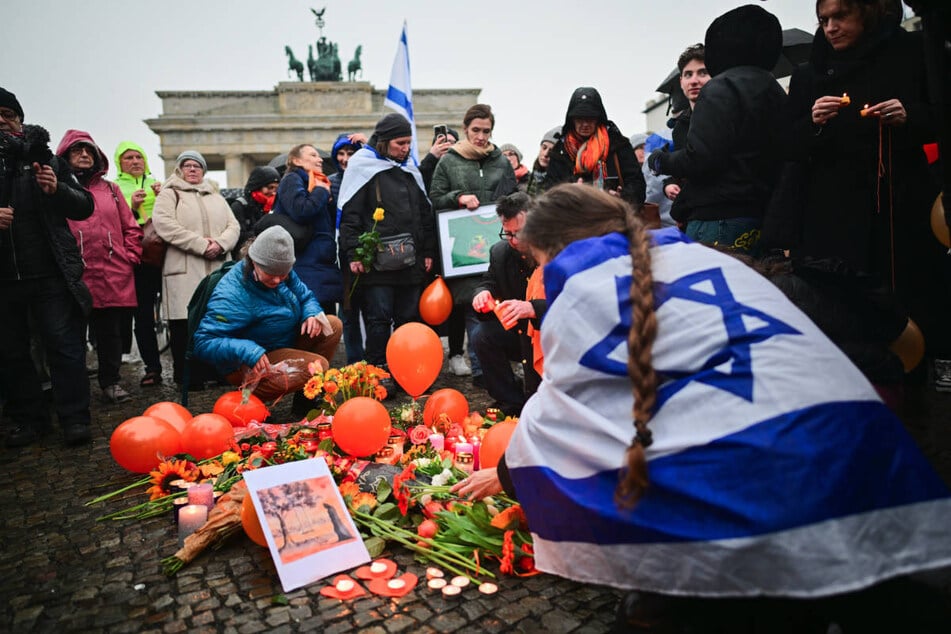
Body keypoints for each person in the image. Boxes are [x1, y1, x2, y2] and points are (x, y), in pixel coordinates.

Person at [454, 184, 951, 631]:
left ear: (557, 250)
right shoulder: (704, 257)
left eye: (542, 261)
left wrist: (508, 471)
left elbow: (559, 415)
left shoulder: (585, 289)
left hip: (753, 481)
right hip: (869, 449)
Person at [784, 0, 947, 390]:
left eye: (841, 16)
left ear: (867, 13)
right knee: (846, 299)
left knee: (912, 286)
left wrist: (909, 116)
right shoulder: (810, 73)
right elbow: (788, 145)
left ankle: (927, 370)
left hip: (901, 201)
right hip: (833, 211)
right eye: (823, 20)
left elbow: (939, 117)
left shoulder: (910, 53)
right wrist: (813, 121)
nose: (831, 28)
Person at [648, 8, 786, 255]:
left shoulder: (721, 87)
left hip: (717, 218)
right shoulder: (772, 88)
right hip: (760, 215)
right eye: (687, 74)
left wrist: (662, 161)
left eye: (702, 72)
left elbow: (701, 158)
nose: (695, 80)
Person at [0, 88, 94, 447]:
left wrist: (58, 190)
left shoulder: (46, 159)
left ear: (20, 120)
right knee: (11, 354)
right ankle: (30, 419)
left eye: (7, 113)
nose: (1, 121)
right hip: (4, 278)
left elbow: (83, 205)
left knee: (64, 347)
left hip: (50, 272)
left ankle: (74, 418)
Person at [192, 226, 341, 413]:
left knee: (332, 325)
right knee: (317, 366)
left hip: (280, 341)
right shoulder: (232, 293)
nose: (278, 280)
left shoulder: (281, 270)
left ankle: (306, 400)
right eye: (271, 275)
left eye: (283, 274)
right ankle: (248, 401)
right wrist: (248, 350)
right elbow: (204, 342)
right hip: (248, 362)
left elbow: (306, 297)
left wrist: (310, 314)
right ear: (255, 262)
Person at [338, 114, 434, 371]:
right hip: (377, 262)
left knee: (407, 319)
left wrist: (428, 251)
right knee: (378, 319)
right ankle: (377, 371)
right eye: (400, 143)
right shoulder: (363, 166)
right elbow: (350, 216)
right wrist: (353, 255)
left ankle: (403, 369)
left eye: (408, 143)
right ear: (384, 142)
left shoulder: (409, 169)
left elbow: (425, 214)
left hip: (411, 260)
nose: (406, 148)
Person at [430, 104, 517, 386]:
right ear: (466, 129)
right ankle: (482, 371)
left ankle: (496, 366)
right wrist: (458, 198)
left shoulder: (501, 162)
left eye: (486, 131)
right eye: (476, 130)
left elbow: (514, 196)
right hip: (465, 250)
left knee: (497, 303)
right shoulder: (449, 161)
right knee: (473, 305)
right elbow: (435, 197)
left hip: (500, 244)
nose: (481, 136)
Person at [56, 130, 142, 405]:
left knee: (110, 334)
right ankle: (74, 389)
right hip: (73, 273)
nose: (84, 155)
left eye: (89, 151)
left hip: (111, 270)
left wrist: (131, 255)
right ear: (65, 155)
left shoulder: (111, 190)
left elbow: (130, 226)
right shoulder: (57, 187)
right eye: (77, 151)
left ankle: (111, 382)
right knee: (72, 335)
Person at [152, 150, 240, 389]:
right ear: (179, 169)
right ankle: (188, 376)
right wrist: (202, 245)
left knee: (215, 320)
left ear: (203, 170)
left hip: (216, 266)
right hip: (184, 267)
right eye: (187, 165)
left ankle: (216, 371)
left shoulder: (216, 196)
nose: (192, 169)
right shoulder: (169, 194)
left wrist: (221, 244)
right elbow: (164, 225)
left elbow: (234, 225)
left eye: (197, 166)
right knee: (184, 325)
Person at [470, 192, 543, 415]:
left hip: (547, 330)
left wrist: (532, 308)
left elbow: (571, 302)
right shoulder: (500, 252)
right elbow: (489, 281)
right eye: (507, 233)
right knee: (482, 335)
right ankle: (509, 401)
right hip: (517, 330)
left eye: (519, 233)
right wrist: (482, 294)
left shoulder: (555, 250)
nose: (513, 241)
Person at [113, 141, 164, 387]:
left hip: (166, 255)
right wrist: (132, 208)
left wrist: (164, 198)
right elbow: (111, 224)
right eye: (128, 158)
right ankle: (152, 367)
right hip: (138, 260)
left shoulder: (158, 183)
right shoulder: (113, 188)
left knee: (179, 313)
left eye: (139, 157)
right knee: (143, 316)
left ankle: (191, 362)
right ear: (119, 163)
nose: (135, 161)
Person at [271, 143, 343, 316]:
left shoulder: (316, 181)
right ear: (296, 160)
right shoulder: (292, 179)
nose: (319, 159)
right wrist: (320, 191)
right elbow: (301, 210)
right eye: (312, 155)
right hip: (306, 264)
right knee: (314, 322)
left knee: (327, 323)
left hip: (319, 264)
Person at [546, 87, 646, 208]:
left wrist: (623, 198)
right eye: (579, 119)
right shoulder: (559, 151)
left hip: (613, 217)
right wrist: (569, 194)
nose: (585, 124)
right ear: (572, 120)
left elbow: (637, 185)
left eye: (590, 118)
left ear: (598, 118)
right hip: (572, 220)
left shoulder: (618, 144)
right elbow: (549, 192)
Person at [328, 132, 368, 364]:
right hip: (342, 257)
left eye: (350, 153)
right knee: (349, 312)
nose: (345, 159)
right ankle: (355, 362)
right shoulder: (330, 182)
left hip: (367, 251)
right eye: (340, 154)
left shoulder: (366, 177)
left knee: (374, 312)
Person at [229, 166, 280, 260]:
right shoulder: (239, 206)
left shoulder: (275, 207)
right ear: (257, 186)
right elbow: (238, 236)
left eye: (276, 189)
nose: (273, 192)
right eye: (270, 187)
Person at [419, 126, 458, 192]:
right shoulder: (428, 167)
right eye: (442, 141)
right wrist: (431, 156)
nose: (447, 145)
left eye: (451, 142)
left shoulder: (462, 165)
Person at [525, 127, 560, 197]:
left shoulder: (559, 182)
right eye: (544, 147)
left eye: (552, 151)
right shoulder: (533, 175)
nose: (546, 154)